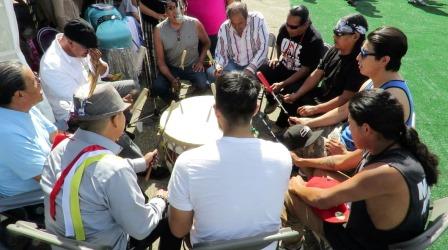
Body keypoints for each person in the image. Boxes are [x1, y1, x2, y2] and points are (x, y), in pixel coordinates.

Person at [284, 89, 439, 249]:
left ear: (366, 129)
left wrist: (296, 184)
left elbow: (321, 200)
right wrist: (302, 161)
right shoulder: (388, 142)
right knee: (319, 173)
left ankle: (294, 244)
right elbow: (339, 162)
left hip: (360, 244)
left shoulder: (385, 172)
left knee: (288, 192)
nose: (348, 129)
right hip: (382, 228)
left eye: (350, 124)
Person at [40, 84, 182, 250]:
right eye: (123, 112)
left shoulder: (60, 147)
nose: (125, 117)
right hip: (104, 246)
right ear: (115, 119)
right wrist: (160, 199)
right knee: (172, 211)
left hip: (61, 244)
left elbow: (89, 165)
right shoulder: (115, 170)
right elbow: (142, 229)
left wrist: (142, 162)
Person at [167, 71, 292, 248]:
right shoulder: (281, 155)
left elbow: (178, 230)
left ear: (216, 111)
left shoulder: (187, 163)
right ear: (256, 109)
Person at [289, 26, 415, 172]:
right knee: (297, 133)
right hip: (343, 141)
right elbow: (344, 110)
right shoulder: (370, 82)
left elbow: (375, 152)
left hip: (354, 159)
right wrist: (309, 122)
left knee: (297, 149)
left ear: (384, 60)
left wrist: (303, 162)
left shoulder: (391, 99)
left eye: (364, 53)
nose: (357, 57)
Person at [40, 18, 137, 130]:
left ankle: (121, 125)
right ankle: (118, 130)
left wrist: (97, 64)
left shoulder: (80, 43)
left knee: (133, 88)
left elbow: (104, 72)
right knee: (118, 115)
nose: (89, 52)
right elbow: (81, 105)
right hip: (77, 115)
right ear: (70, 43)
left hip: (95, 91)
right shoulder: (52, 66)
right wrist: (116, 104)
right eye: (86, 49)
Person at [281, 14, 368, 128]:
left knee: (304, 110)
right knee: (292, 91)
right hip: (321, 96)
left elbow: (345, 98)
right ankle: (284, 128)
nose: (334, 36)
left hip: (335, 109)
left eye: (339, 34)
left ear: (355, 36)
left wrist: (315, 109)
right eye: (334, 32)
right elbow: (317, 74)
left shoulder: (359, 64)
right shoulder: (334, 49)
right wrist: (297, 95)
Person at [0, 61, 57, 197]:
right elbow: (49, 179)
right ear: (20, 95)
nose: (40, 81)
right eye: (35, 80)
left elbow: (55, 136)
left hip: (57, 173)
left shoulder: (25, 109)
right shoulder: (7, 135)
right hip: (34, 197)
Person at [258, 5, 325, 116]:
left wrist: (282, 84)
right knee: (263, 70)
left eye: (293, 27)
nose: (288, 29)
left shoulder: (314, 40)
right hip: (284, 66)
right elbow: (278, 44)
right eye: (287, 24)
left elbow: (305, 70)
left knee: (291, 91)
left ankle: (283, 122)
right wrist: (276, 57)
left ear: (306, 24)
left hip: (300, 76)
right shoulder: (285, 28)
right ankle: (272, 99)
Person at [152, 0, 211, 102]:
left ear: (185, 8)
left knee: (203, 85)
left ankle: (190, 101)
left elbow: (207, 43)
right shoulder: (159, 30)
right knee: (157, 87)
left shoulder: (195, 23)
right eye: (171, 8)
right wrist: (172, 79)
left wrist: (200, 61)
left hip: (192, 66)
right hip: (172, 68)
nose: (176, 11)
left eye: (180, 7)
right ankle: (174, 102)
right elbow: (161, 62)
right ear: (165, 11)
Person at [208, 2, 269, 79]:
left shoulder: (258, 20)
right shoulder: (224, 28)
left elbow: (264, 48)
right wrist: (219, 66)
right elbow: (221, 53)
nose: (237, 27)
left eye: (240, 23)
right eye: (233, 24)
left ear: (246, 16)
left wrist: (250, 68)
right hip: (234, 64)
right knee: (211, 72)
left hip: (255, 63)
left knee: (252, 80)